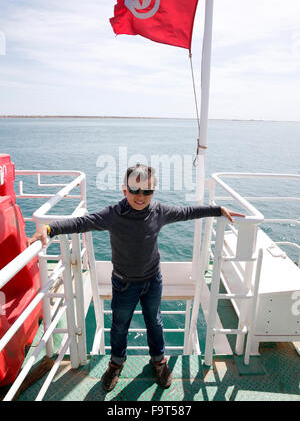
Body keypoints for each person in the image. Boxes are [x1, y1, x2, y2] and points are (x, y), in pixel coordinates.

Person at [28, 164, 244, 391]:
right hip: (123, 284)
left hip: (152, 281)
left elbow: (187, 212)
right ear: (125, 190)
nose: (141, 196)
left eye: (147, 191)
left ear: (154, 191)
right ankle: (116, 364)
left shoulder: (159, 212)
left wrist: (217, 209)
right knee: (120, 326)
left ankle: (158, 361)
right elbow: (83, 222)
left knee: (155, 323)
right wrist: (50, 229)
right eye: (135, 190)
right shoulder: (113, 215)